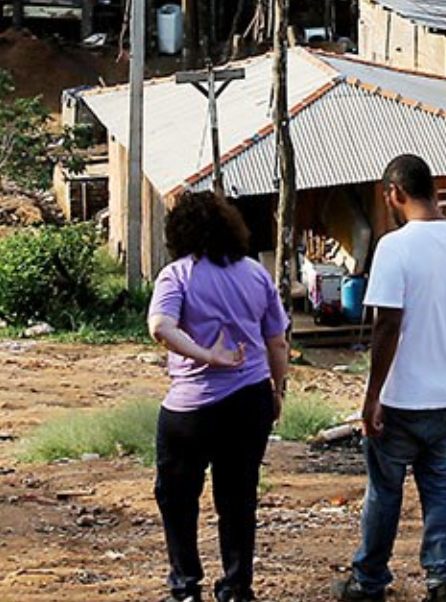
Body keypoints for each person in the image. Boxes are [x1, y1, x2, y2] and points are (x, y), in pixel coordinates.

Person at [336, 154, 446, 602]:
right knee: (441, 485)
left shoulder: (394, 246)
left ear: (395, 193)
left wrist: (372, 397)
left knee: (385, 491)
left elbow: (387, 324)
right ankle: (443, 579)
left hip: (403, 399)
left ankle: (369, 582)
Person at [148, 189, 291, 602]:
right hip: (249, 401)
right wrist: (277, 391)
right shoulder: (255, 273)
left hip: (190, 409)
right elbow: (277, 343)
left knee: (176, 497)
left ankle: (186, 585)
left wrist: (205, 354)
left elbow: (160, 326)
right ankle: (236, 586)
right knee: (238, 496)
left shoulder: (177, 275)